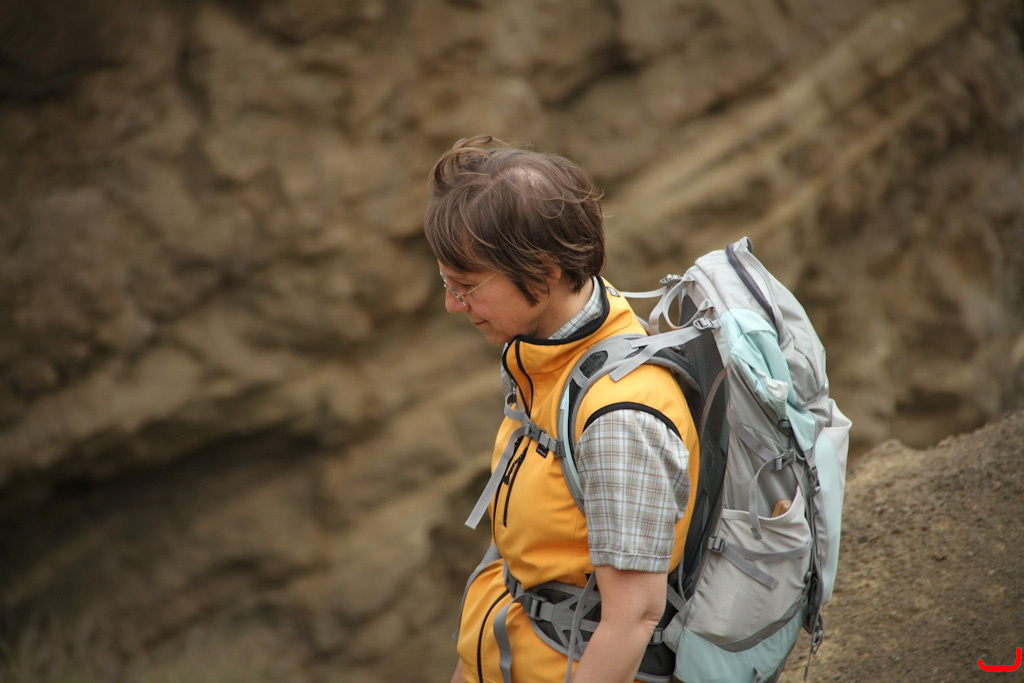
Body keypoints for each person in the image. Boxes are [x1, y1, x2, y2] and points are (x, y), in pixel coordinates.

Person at [424, 136, 700, 683]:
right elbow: (521, 558)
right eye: (447, 281)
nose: (453, 304)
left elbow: (632, 619)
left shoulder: (620, 419)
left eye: (466, 285)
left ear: (545, 272)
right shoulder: (547, 360)